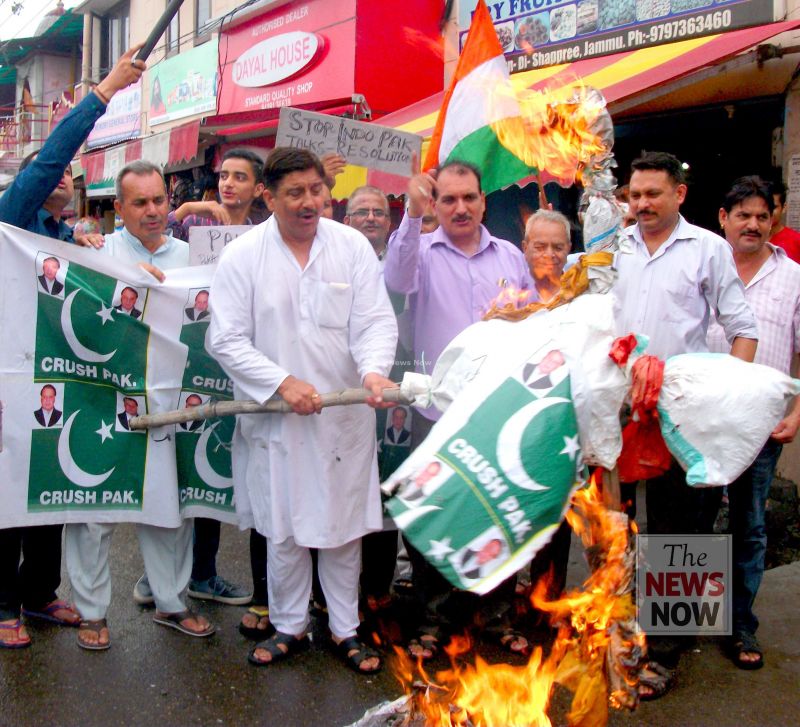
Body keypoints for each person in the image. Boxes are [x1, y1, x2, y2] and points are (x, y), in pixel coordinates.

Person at [208, 148, 397, 674]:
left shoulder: (352, 246)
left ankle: (344, 629)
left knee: (343, 529)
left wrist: (374, 371)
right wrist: (282, 382)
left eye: (317, 189)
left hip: (342, 418)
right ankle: (289, 625)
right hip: (277, 420)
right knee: (284, 527)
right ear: (269, 197)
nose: (310, 202)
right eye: (296, 193)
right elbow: (225, 338)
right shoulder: (243, 256)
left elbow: (374, 322)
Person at [0, 45, 144, 650]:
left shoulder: (73, 240)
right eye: (51, 172)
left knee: (51, 486)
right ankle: (4, 603)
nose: (63, 176)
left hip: (55, 379)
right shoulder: (13, 217)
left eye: (68, 177)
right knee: (9, 491)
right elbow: (51, 156)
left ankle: (39, 594)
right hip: (11, 378)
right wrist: (105, 90)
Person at [616, 151, 758, 697]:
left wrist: (725, 391)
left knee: (681, 529)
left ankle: (669, 649)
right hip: (619, 409)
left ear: (679, 195)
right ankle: (619, 628)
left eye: (654, 193)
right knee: (615, 524)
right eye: (635, 195)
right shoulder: (612, 246)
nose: (643, 204)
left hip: (680, 411)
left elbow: (741, 326)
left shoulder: (709, 249)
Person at [383, 158, 533, 660]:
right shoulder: (419, 252)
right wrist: (411, 212)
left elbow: (532, 321)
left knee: (496, 515)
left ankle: (495, 616)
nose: (460, 207)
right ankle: (435, 618)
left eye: (469, 197)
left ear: (484, 200)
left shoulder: (510, 256)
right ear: (436, 204)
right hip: (437, 413)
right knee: (436, 518)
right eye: (448, 199)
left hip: (498, 411)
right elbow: (395, 280)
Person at [65, 161, 214, 650]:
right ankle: (91, 612)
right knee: (94, 511)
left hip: (170, 402)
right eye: (140, 203)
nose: (152, 211)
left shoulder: (194, 256)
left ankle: (172, 603)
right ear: (118, 208)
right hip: (105, 398)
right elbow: (77, 323)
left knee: (169, 506)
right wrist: (120, 275)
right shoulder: (94, 253)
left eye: (159, 200)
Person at [707, 176, 800, 671]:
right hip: (698, 425)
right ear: (723, 218)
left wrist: (798, 412)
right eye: (742, 214)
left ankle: (740, 623)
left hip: (761, 427)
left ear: (774, 220)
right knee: (692, 521)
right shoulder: (700, 265)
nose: (753, 224)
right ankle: (682, 621)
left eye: (762, 216)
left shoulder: (794, 278)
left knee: (750, 525)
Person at [167, 148, 265, 240]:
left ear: (258, 189)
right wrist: (186, 208)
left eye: (239, 178)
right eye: (223, 176)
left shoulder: (257, 234)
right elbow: (157, 244)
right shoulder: (196, 222)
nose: (228, 183)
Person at [521, 209, 571, 303]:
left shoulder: (581, 290)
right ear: (525, 248)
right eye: (540, 247)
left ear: (568, 248)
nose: (549, 255)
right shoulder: (513, 292)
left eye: (558, 248)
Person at [344, 185, 392, 259]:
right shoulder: (335, 261)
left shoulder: (401, 264)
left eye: (378, 213)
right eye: (362, 212)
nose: (371, 218)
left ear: (388, 223)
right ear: (347, 222)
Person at [768, 180, 800, 263]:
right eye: (764, 206)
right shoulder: (749, 239)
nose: (768, 212)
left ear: (784, 207)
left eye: (773, 207)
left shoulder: (796, 241)